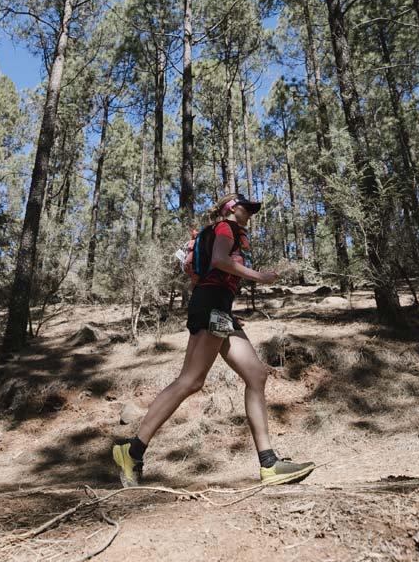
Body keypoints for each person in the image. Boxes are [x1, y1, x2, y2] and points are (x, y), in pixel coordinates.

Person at [112, 193, 315, 487]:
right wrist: (259, 276)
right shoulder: (226, 228)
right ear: (232, 208)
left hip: (217, 309)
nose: (251, 214)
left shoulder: (217, 232)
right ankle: (132, 452)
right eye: (248, 208)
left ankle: (269, 464)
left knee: (256, 374)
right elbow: (219, 262)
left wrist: (224, 310)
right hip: (211, 308)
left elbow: (201, 276)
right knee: (190, 381)